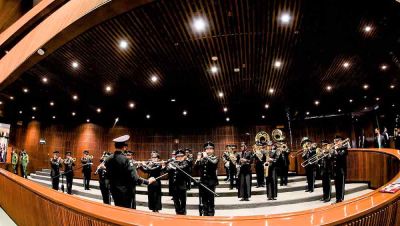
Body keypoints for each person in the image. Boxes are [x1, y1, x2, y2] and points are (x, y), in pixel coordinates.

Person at [104, 135, 156, 208]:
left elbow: (108, 174)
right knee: (126, 212)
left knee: (118, 208)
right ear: (124, 147)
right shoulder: (126, 160)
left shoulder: (108, 159)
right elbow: (135, 178)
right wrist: (147, 182)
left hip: (114, 190)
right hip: (125, 192)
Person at [195, 141, 219, 216]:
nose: (209, 150)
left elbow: (214, 164)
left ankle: (211, 215)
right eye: (207, 149)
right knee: (204, 200)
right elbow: (195, 169)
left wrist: (206, 157)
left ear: (213, 150)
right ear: (205, 150)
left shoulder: (215, 158)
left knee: (211, 200)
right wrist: (198, 160)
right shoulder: (202, 159)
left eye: (210, 149)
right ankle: (205, 214)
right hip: (203, 183)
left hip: (211, 182)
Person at [166, 149, 189, 215]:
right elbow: (167, 170)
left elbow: (182, 168)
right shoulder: (173, 162)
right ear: (176, 157)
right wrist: (168, 167)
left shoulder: (185, 162)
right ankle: (178, 213)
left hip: (182, 185)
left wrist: (173, 167)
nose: (179, 158)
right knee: (176, 201)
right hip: (174, 186)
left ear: (184, 157)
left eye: (181, 156)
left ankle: (183, 213)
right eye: (178, 156)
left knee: (183, 202)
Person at [333, 135, 349, 203]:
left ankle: (341, 199)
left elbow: (340, 157)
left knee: (341, 186)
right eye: (335, 141)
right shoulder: (334, 149)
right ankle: (337, 199)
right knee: (337, 186)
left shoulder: (344, 148)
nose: (336, 142)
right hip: (335, 170)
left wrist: (336, 150)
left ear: (341, 141)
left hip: (341, 170)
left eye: (338, 141)